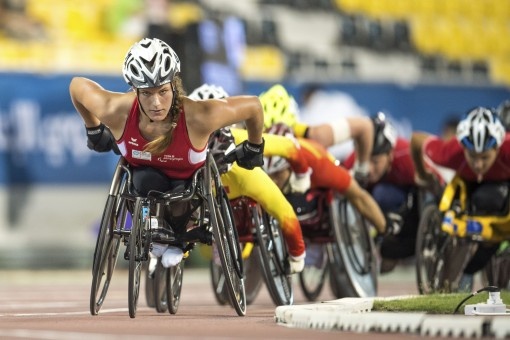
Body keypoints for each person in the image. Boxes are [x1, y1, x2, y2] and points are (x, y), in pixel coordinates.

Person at [69, 37, 265, 268]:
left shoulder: (200, 115)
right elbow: (77, 85)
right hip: (145, 182)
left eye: (163, 91)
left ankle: (177, 239)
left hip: (187, 188)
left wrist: (254, 146)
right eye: (146, 93)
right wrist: (93, 129)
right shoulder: (116, 111)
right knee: (143, 180)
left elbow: (253, 106)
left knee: (183, 192)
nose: (156, 103)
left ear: (174, 84)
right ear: (135, 90)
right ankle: (156, 229)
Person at [189, 83, 306, 273]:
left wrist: (302, 175)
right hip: (208, 185)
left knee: (280, 208)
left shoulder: (237, 136)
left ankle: (293, 252)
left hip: (242, 177)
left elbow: (288, 147)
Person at [411, 106, 510, 291]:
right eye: (472, 156)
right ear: (463, 147)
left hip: (503, 189)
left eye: (485, 157)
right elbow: (416, 140)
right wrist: (422, 173)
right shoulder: (451, 151)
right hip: (470, 189)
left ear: (497, 148)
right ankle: (459, 271)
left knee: (490, 199)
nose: (478, 164)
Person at [232, 123, 387, 237]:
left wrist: (384, 231)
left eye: (278, 176)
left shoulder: (320, 167)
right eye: (270, 176)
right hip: (286, 154)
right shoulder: (259, 166)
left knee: (353, 192)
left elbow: (359, 197)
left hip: (316, 164)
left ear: (290, 169)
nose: (275, 182)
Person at [342, 112, 430, 273]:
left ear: (390, 154)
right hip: (376, 205)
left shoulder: (407, 157)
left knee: (384, 193)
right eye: (365, 160)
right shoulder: (354, 160)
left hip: (411, 204)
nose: (368, 168)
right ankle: (383, 243)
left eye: (375, 161)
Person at [258, 84, 374, 185]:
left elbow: (364, 126)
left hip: (339, 162)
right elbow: (366, 125)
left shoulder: (313, 131)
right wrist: (361, 170)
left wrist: (360, 173)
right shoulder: (341, 100)